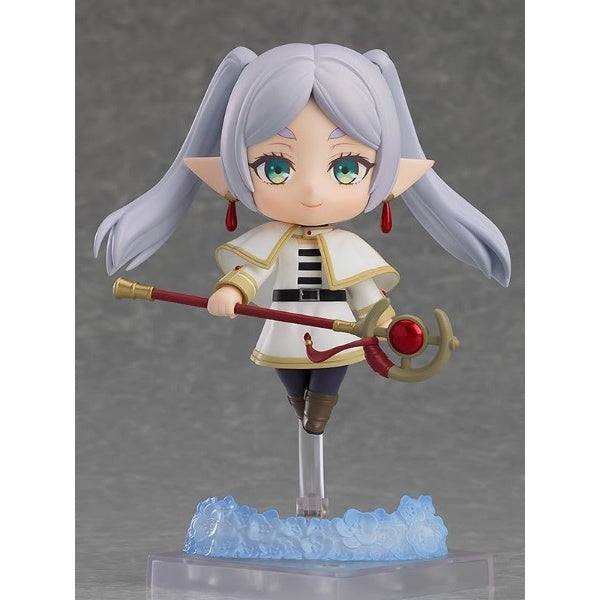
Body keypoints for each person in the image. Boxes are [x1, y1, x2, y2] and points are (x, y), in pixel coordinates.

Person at [94, 43, 511, 435]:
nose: (311, 191)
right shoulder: (270, 240)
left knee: (321, 400)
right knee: (294, 387)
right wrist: (231, 290)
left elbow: (365, 293)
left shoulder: (348, 249)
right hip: (284, 324)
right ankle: (305, 417)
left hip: (337, 331)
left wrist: (384, 322)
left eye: (347, 168)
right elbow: (252, 271)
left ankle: (315, 420)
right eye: (275, 167)